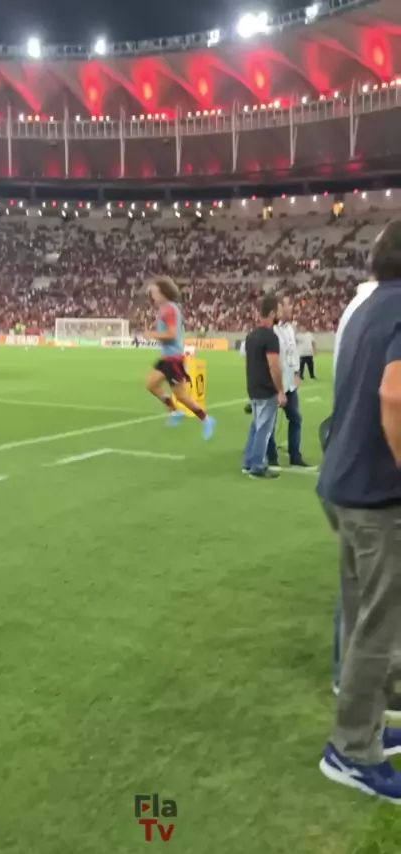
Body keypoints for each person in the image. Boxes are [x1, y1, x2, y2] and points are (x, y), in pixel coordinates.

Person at [317, 220, 401, 802]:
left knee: (360, 619)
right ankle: (351, 751)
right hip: (377, 496)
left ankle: (364, 728)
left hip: (342, 486)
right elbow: (394, 394)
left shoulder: (367, 307)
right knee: (379, 626)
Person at [145, 276, 216, 440]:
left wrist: (152, 334)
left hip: (173, 359)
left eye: (154, 292)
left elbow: (171, 334)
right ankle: (179, 412)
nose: (152, 296)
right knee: (154, 385)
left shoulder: (169, 309)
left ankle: (204, 419)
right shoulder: (167, 308)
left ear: (163, 292)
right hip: (168, 357)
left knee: (179, 395)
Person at [243, 294, 286, 480]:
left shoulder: (251, 335)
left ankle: (248, 462)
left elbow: (247, 363)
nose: (281, 315)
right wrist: (281, 390)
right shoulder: (270, 337)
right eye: (279, 311)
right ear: (272, 313)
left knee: (256, 426)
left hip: (253, 387)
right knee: (264, 429)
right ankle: (257, 466)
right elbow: (273, 365)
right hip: (266, 389)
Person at [267, 296, 312, 469]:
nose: (291, 307)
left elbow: (294, 353)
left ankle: (295, 455)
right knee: (270, 422)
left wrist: (297, 373)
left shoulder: (290, 329)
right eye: (288, 305)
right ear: (279, 308)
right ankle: (271, 456)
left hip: (290, 384)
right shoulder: (272, 330)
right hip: (275, 383)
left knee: (296, 418)